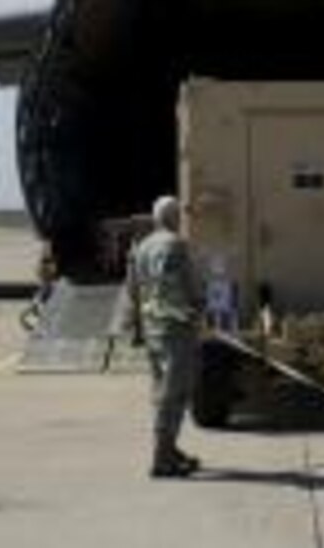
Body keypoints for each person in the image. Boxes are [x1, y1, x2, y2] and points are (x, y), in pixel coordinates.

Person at [123, 195, 204, 478]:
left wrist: (136, 328)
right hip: (175, 330)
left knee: (161, 392)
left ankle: (169, 448)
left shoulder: (142, 247)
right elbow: (189, 287)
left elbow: (132, 291)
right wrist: (201, 306)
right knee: (175, 393)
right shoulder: (176, 245)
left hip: (153, 330)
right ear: (174, 217)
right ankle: (162, 457)